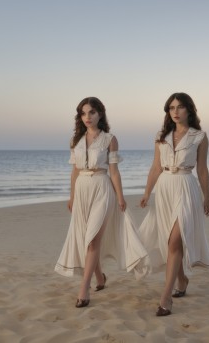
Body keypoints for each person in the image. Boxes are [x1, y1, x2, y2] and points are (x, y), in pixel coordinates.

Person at [55, 97, 148, 308]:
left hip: (102, 188)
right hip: (82, 190)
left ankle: (84, 288)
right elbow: (74, 171)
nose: (88, 117)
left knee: (93, 240)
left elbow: (114, 172)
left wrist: (121, 197)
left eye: (92, 112)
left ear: (100, 114)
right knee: (87, 240)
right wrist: (71, 196)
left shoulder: (110, 139)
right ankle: (100, 277)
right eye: (84, 113)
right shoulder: (75, 140)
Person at [139, 92, 209, 316]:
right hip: (164, 188)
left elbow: (201, 169)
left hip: (186, 188)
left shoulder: (199, 136)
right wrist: (146, 192)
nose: (175, 112)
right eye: (171, 108)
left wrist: (207, 197)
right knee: (171, 244)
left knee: (174, 241)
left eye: (180, 107)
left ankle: (165, 298)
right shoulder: (161, 136)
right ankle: (182, 280)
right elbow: (155, 167)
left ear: (189, 110)